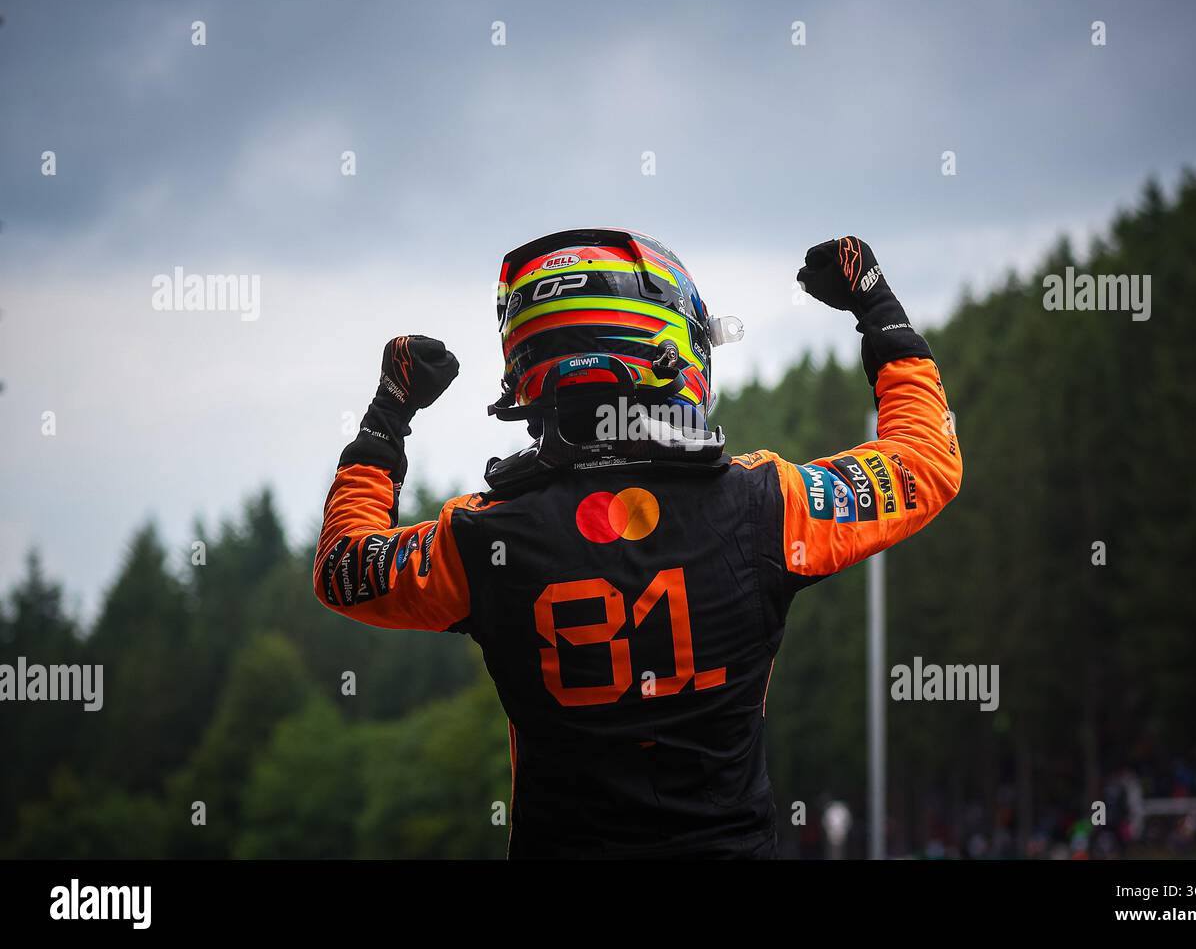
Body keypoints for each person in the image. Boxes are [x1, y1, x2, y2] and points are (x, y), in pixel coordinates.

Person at [313, 230, 961, 858]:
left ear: (530, 374)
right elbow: (925, 460)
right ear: (671, 353)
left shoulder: (480, 538)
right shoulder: (767, 506)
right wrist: (878, 308)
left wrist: (388, 414)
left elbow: (345, 566)